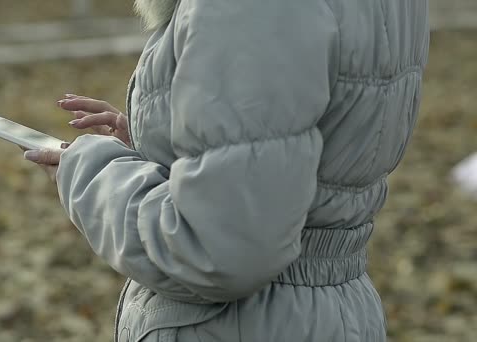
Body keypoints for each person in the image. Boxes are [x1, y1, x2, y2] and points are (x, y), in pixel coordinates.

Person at [23, 0, 430, 341]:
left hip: (239, 325)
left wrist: (89, 171)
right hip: (337, 315)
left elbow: (219, 250)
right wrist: (169, 146)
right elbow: (323, 138)